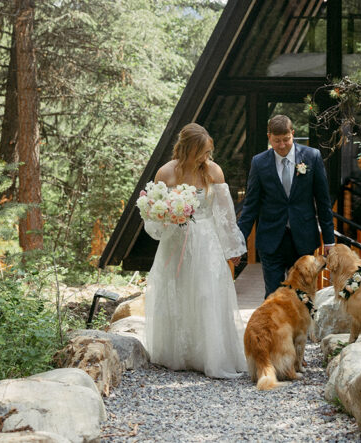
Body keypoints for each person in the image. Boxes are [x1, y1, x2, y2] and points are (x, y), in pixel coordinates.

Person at [142, 123, 247, 378]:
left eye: (207, 151)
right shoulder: (165, 173)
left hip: (206, 241)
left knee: (205, 292)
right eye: (200, 152)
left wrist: (232, 247)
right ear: (187, 149)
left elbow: (224, 214)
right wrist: (166, 216)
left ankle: (209, 354)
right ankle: (178, 353)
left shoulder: (214, 171)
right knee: (177, 290)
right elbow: (153, 216)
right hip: (175, 243)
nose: (205, 157)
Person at [238, 114, 336, 298]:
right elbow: (250, 206)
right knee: (274, 297)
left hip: (304, 238)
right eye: (277, 141)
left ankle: (302, 328)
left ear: (293, 133)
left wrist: (329, 241)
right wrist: (238, 242)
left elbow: (323, 202)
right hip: (270, 239)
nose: (282, 145)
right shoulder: (259, 162)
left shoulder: (312, 157)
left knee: (303, 295)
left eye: (286, 140)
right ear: (269, 137)